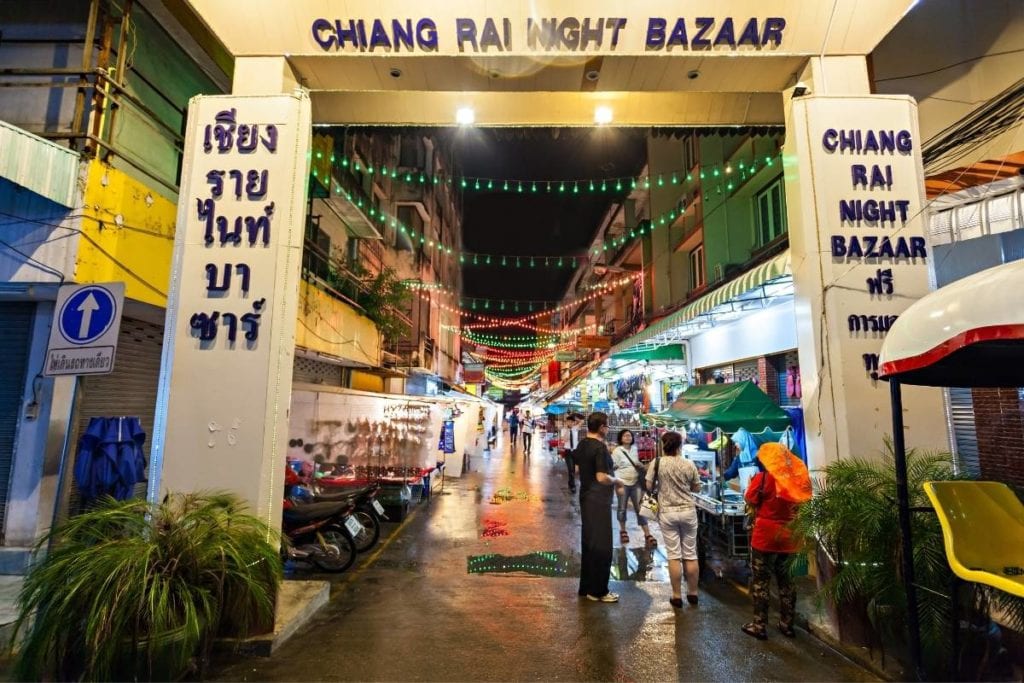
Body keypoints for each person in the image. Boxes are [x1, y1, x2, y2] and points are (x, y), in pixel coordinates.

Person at [741, 444, 804, 640]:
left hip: (764, 538)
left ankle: (759, 625)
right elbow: (800, 505)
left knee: (761, 582)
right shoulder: (794, 481)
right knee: (787, 583)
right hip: (789, 538)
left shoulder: (762, 479)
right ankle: (787, 624)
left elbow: (749, 499)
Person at [648, 430, 702, 609]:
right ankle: (693, 593)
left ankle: (677, 595)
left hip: (667, 513)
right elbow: (697, 488)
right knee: (690, 554)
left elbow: (648, 485)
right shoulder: (689, 463)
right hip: (688, 511)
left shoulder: (657, 463)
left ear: (663, 445)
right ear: (680, 445)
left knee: (674, 555)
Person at [576, 412, 623, 603]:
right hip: (599, 501)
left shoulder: (582, 444)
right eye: (608, 425)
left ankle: (587, 587)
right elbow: (602, 476)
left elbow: (579, 470)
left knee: (589, 542)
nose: (609, 428)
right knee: (602, 545)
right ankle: (598, 591)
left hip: (586, 497)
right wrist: (617, 480)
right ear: (602, 427)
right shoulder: (599, 448)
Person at [610, 429, 657, 549]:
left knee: (640, 508)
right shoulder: (617, 451)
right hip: (622, 483)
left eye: (629, 435)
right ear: (621, 438)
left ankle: (647, 534)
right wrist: (617, 482)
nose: (627, 437)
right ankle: (623, 531)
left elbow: (637, 463)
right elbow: (613, 467)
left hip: (636, 482)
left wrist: (640, 465)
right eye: (625, 435)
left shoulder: (635, 449)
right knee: (622, 508)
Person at [560, 414, 582, 493]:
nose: (570, 423)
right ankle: (573, 486)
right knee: (571, 469)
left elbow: (581, 421)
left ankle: (570, 483)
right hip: (568, 451)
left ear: (573, 422)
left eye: (571, 422)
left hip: (575, 451)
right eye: (568, 421)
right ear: (566, 422)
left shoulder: (576, 428)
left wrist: (575, 418)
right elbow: (564, 439)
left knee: (575, 470)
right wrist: (568, 430)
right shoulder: (563, 430)